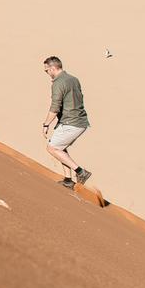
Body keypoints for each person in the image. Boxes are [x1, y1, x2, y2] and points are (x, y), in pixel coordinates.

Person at [40, 55, 92, 188]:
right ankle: (68, 180)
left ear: (52, 68)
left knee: (52, 148)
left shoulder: (58, 83)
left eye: (47, 70)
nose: (47, 73)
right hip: (79, 121)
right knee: (61, 147)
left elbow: (55, 106)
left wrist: (46, 124)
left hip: (71, 122)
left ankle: (80, 171)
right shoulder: (74, 79)